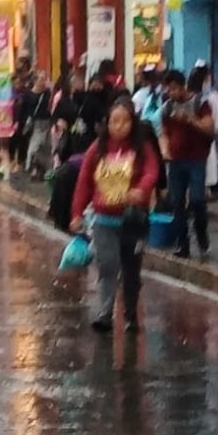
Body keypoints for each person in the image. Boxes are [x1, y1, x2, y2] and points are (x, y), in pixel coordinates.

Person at [70, 98, 160, 333]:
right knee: (108, 265)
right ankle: (105, 312)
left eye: (124, 121)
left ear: (132, 122)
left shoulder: (142, 148)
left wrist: (141, 190)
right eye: (114, 121)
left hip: (133, 220)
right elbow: (84, 182)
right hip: (103, 220)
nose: (118, 126)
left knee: (131, 270)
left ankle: (131, 314)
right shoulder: (97, 149)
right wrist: (77, 213)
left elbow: (152, 172)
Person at [161, 69, 215, 259]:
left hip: (196, 160)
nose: (171, 93)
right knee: (176, 202)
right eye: (168, 90)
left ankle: (202, 238)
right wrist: (165, 150)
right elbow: (165, 133)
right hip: (176, 161)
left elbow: (209, 128)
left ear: (183, 86)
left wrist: (190, 120)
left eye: (174, 89)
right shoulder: (167, 108)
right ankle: (182, 244)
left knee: (197, 200)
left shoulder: (200, 103)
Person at [188, 63, 218, 190]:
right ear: (206, 79)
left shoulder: (188, 97)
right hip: (207, 143)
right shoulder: (212, 98)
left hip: (189, 146)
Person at [22, 71, 52, 178]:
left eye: (44, 79)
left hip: (47, 122)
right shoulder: (28, 94)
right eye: (41, 79)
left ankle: (44, 169)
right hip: (35, 123)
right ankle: (30, 166)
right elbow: (24, 109)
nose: (43, 82)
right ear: (35, 81)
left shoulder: (48, 93)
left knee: (46, 146)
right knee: (35, 145)